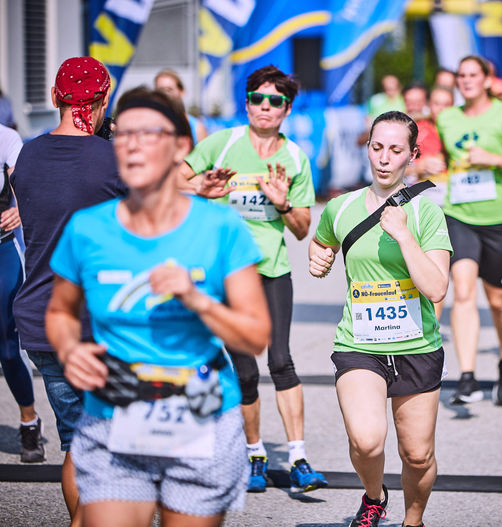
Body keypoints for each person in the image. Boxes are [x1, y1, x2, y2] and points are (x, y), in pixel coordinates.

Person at [45, 86, 271, 527]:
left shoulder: (219, 227)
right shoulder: (88, 229)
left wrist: (196, 299)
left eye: (148, 133)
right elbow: (59, 313)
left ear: (180, 147)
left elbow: (255, 335)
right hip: (115, 413)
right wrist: (70, 350)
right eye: (123, 133)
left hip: (199, 414)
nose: (132, 144)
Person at [180, 64, 327, 494]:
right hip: (226, 275)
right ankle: (255, 455)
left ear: (287, 109)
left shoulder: (295, 157)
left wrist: (282, 204)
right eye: (258, 99)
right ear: (246, 104)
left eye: (275, 101)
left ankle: (299, 458)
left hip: (273, 271)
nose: (266, 107)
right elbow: (172, 179)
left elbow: (302, 228)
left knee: (280, 361)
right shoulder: (222, 144)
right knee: (244, 371)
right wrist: (200, 188)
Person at [309, 110, 452, 527]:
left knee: (418, 454)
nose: (384, 158)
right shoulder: (341, 207)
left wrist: (404, 235)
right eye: (377, 148)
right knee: (367, 441)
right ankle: (374, 497)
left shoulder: (426, 214)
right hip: (360, 344)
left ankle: (413, 519)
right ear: (367, 149)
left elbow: (437, 287)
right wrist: (319, 258)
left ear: (412, 155)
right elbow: (324, 243)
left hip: (416, 346)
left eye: (395, 150)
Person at [11, 57, 126, 526]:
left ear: (58, 97)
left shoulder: (28, 157)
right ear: (100, 101)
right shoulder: (115, 159)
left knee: (78, 441)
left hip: (40, 320)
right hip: (96, 325)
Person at [436, 55, 502, 406]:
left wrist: (493, 159)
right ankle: (467, 377)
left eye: (472, 75)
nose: (465, 81)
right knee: (463, 292)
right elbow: (445, 160)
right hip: (459, 215)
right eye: (460, 75)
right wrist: (434, 164)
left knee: (498, 301)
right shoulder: (447, 118)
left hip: (501, 220)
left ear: (485, 79)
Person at [1, 123, 45, 463]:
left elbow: (27, 186)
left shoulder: (6, 138)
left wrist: (21, 209)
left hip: (2, 250)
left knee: (7, 346)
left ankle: (29, 421)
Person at [407, 86, 454, 207]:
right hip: (423, 194)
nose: (441, 109)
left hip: (453, 196)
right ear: (428, 105)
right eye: (436, 104)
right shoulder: (417, 129)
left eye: (447, 104)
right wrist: (417, 169)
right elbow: (397, 169)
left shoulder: (459, 129)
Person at [154, 69, 209, 145]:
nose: (165, 94)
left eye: (169, 90)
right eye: (160, 90)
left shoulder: (196, 128)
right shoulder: (149, 126)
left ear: (182, 92)